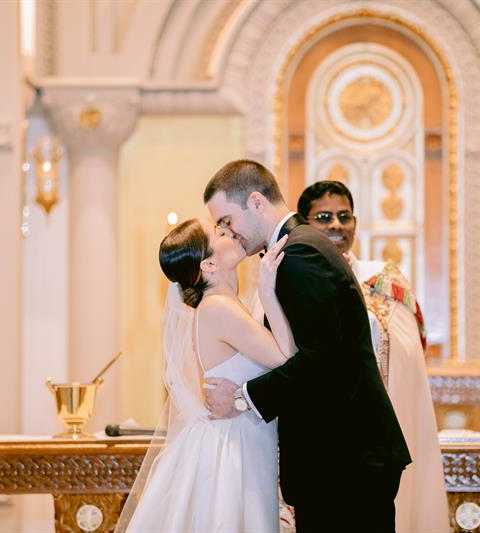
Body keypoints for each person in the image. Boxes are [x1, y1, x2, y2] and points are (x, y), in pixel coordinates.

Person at [203, 160, 411, 532]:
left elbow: (321, 360)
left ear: (255, 201)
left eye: (226, 220)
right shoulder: (297, 248)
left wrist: (242, 398)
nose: (227, 233)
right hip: (341, 457)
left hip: (345, 461)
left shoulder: (301, 255)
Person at [116, 218, 294, 532]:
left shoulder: (223, 306)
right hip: (233, 447)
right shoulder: (218, 309)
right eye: (221, 233)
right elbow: (284, 357)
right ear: (209, 263)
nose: (232, 232)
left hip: (240, 437)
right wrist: (268, 291)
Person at [297, 180, 449, 533]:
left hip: (375, 443)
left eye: (344, 216)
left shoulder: (383, 279)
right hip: (318, 442)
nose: (336, 224)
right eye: (324, 216)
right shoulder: (291, 277)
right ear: (305, 225)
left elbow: (408, 351)